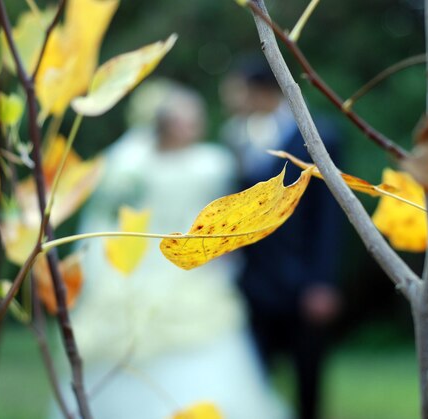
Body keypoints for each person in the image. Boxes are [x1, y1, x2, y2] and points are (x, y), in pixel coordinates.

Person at [61, 81, 287, 418]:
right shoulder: (130, 165)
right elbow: (108, 221)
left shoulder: (212, 163)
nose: (193, 126)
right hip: (138, 265)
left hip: (191, 270)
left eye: (195, 119)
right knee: (125, 349)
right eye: (184, 119)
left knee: (203, 348)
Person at [220, 60, 343, 419]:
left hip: (303, 279)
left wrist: (322, 281)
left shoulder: (320, 135)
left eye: (238, 91)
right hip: (253, 280)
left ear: (260, 91)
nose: (232, 100)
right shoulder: (236, 135)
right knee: (254, 376)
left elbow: (329, 216)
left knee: (308, 375)